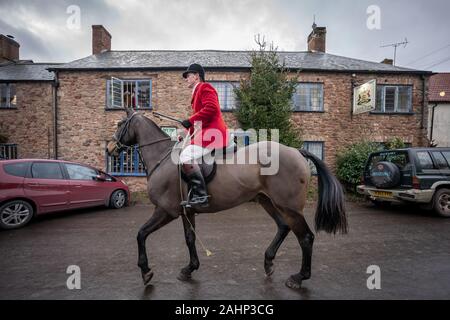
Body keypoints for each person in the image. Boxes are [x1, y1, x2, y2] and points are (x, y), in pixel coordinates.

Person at [180, 63, 229, 207]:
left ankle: (201, 196)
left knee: (185, 156)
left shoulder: (205, 87)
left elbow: (212, 109)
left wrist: (190, 120)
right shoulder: (195, 93)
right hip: (205, 132)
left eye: (188, 76)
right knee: (186, 151)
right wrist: (186, 136)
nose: (186, 79)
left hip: (214, 133)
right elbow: (198, 123)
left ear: (196, 76)